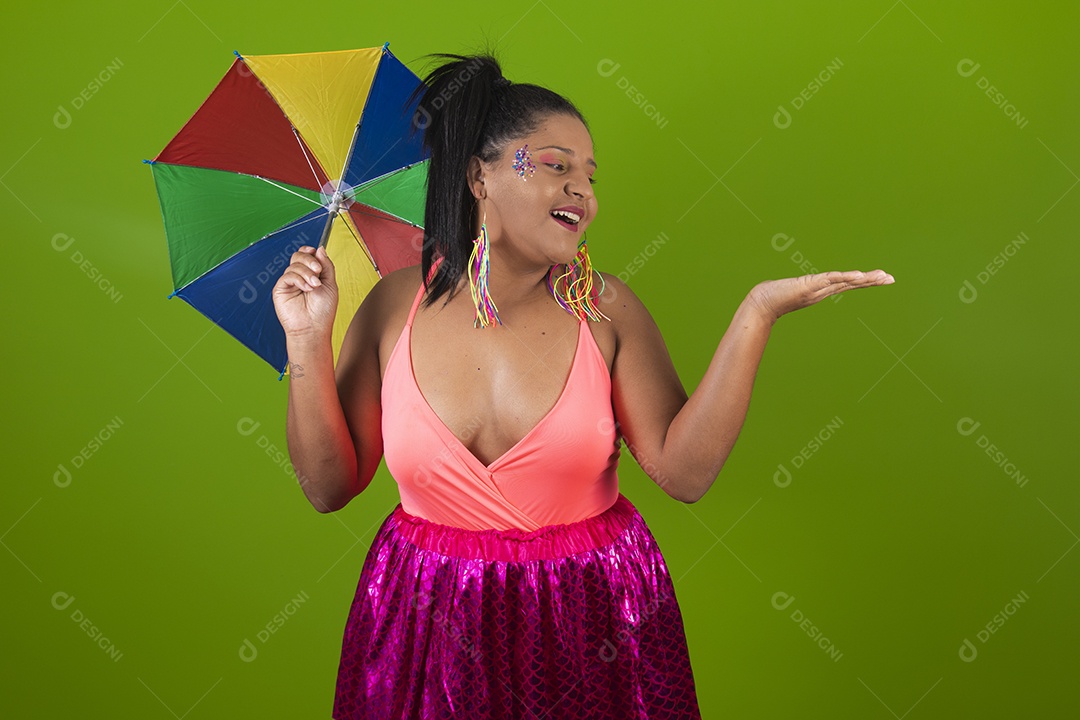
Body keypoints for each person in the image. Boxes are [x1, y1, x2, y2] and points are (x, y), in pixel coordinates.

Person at [273, 51, 893, 720]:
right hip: (425, 620)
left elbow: (685, 474)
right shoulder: (393, 307)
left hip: (587, 619)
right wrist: (306, 338)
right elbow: (327, 487)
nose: (583, 193)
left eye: (589, 177)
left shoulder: (605, 310)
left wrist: (757, 313)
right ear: (478, 177)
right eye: (556, 166)